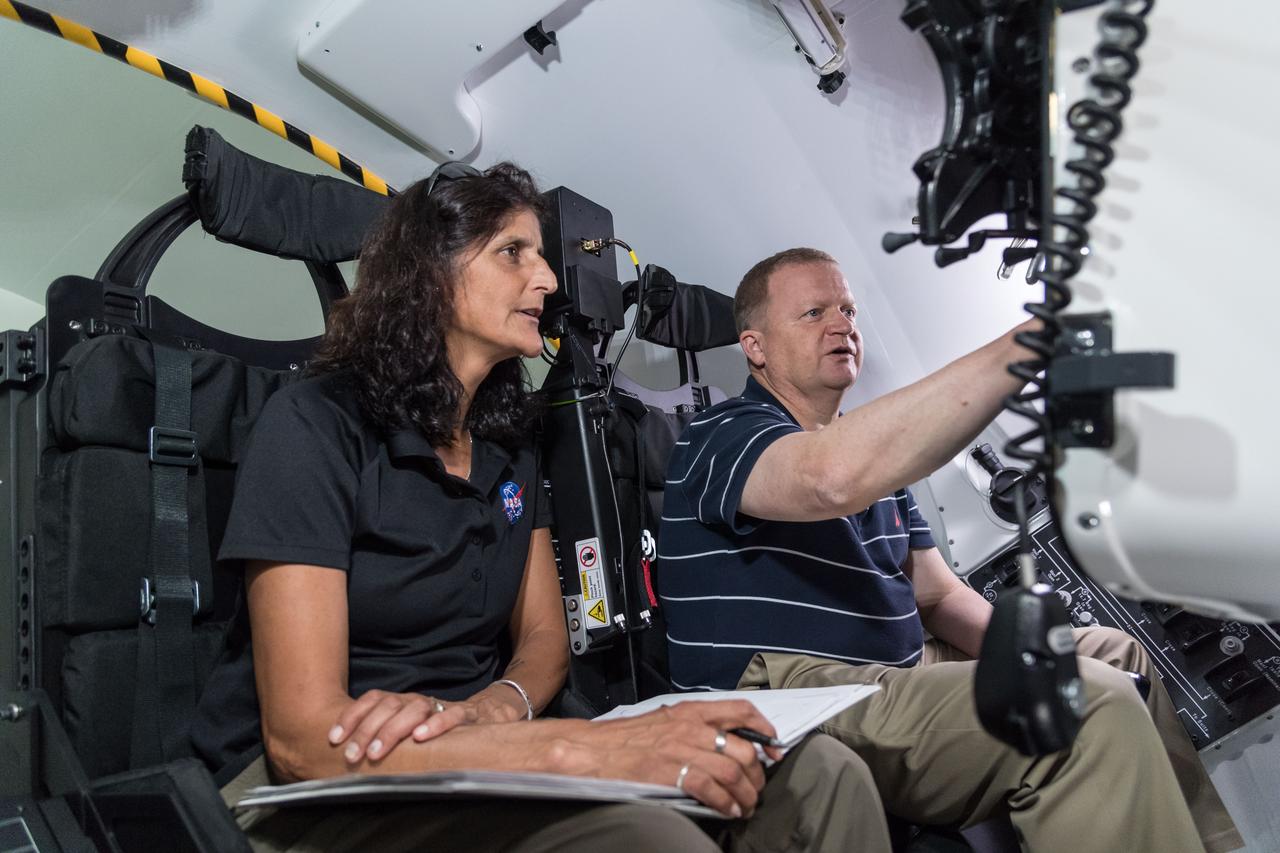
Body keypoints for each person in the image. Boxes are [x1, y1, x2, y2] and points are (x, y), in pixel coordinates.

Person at [190, 170, 891, 853]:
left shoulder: (507, 445)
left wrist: (496, 705)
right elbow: (301, 741)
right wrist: (573, 747)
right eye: (512, 252)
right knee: (651, 840)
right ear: (430, 272)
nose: (549, 279)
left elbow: (545, 639)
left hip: (481, 744)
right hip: (334, 778)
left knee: (821, 777)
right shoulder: (315, 425)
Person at [659, 247, 1243, 853]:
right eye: (812, 313)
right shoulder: (724, 433)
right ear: (755, 347)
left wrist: (1034, 652)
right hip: (791, 688)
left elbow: (935, 594)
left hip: (897, 670)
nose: (842, 325)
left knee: (1116, 655)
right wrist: (1032, 345)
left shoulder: (872, 460)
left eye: (849, 309)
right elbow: (825, 480)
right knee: (1089, 705)